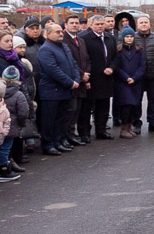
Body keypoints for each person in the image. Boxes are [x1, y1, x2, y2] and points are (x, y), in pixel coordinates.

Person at [36, 22, 80, 155]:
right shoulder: (45, 49)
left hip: (65, 90)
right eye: (57, 32)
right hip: (52, 91)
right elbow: (53, 70)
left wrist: (76, 79)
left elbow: (73, 64)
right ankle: (48, 145)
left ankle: (57, 142)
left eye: (61, 31)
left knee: (60, 119)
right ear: (48, 34)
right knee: (49, 120)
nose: (61, 34)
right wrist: (70, 82)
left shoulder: (64, 46)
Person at [80, 15, 116, 139]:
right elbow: (83, 59)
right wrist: (86, 78)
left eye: (102, 24)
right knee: (86, 108)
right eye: (97, 24)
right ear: (91, 25)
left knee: (103, 106)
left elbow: (116, 57)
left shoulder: (110, 38)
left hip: (106, 78)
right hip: (91, 77)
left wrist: (111, 67)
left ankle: (101, 130)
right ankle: (85, 133)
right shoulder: (84, 38)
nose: (100, 26)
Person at [62, 15, 93, 143]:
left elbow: (86, 59)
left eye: (76, 23)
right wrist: (81, 75)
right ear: (66, 25)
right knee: (70, 111)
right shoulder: (63, 40)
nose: (75, 25)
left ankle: (73, 135)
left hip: (83, 81)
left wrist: (87, 74)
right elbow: (69, 61)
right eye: (72, 23)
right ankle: (67, 136)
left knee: (79, 110)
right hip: (72, 80)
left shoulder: (81, 40)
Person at [132, 15, 154, 133]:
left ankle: (152, 122)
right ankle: (136, 123)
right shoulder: (132, 38)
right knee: (136, 100)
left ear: (150, 24)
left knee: (153, 100)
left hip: (153, 74)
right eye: (141, 23)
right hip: (137, 76)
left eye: (146, 22)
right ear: (137, 25)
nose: (144, 24)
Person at [0, 66, 29, 181]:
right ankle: (4, 170)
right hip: (11, 126)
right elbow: (23, 112)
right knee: (6, 148)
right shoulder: (19, 94)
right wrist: (21, 124)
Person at [114, 26, 146, 138]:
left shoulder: (138, 50)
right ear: (123, 38)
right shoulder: (118, 50)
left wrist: (135, 77)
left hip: (136, 82)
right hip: (123, 82)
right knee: (126, 105)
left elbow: (142, 66)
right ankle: (123, 128)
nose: (129, 38)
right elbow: (117, 67)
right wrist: (126, 78)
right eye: (127, 36)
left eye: (131, 36)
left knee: (133, 105)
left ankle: (129, 127)